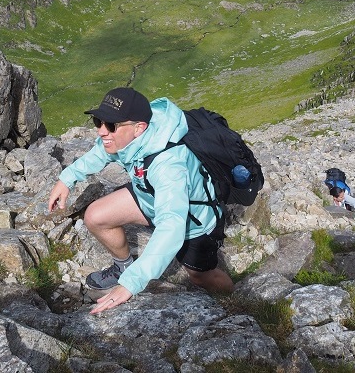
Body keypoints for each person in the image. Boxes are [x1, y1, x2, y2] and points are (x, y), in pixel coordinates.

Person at [47, 87, 234, 314]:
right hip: (149, 196)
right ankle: (122, 267)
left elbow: (172, 225)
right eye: (99, 121)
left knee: (200, 276)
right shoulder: (126, 139)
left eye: (111, 126)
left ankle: (234, 301)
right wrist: (66, 179)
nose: (101, 131)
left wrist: (131, 283)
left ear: (139, 128)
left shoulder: (168, 165)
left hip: (192, 221)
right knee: (96, 216)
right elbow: (100, 153)